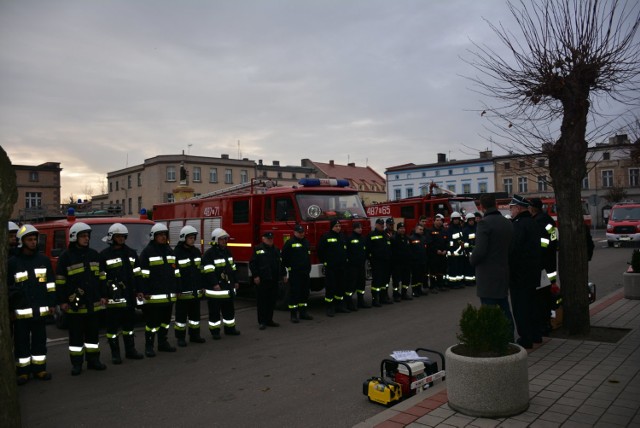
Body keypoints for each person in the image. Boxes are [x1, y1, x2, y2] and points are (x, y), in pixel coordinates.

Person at [56, 222, 108, 375]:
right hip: (75, 306)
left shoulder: (94, 255)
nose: (86, 239)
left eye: (87, 236)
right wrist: (63, 301)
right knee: (76, 339)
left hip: (93, 304)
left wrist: (104, 295)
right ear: (74, 237)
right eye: (83, 236)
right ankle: (77, 364)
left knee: (93, 335)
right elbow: (60, 281)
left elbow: (102, 277)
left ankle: (93, 360)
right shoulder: (66, 257)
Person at [8, 225, 56, 384]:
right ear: (22, 242)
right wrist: (10, 310)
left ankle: (39, 369)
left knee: (39, 342)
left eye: (35, 239)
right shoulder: (13, 263)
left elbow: (50, 284)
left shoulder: (43, 260)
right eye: (30, 239)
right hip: (21, 313)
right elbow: (9, 288)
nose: (34, 242)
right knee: (21, 343)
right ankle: (23, 372)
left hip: (40, 311)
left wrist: (51, 303)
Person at [469, 194, 514, 339]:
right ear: (495, 204)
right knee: (504, 306)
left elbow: (480, 250)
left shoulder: (484, 223)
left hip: (487, 274)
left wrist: (472, 260)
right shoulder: (507, 222)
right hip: (503, 270)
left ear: (481, 207)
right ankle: (509, 338)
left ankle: (491, 340)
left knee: (488, 309)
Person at [99, 223, 144, 364]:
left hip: (129, 297)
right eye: (118, 236)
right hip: (114, 299)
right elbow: (101, 277)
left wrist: (140, 290)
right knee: (112, 329)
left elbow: (138, 273)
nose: (121, 239)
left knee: (129, 327)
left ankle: (130, 351)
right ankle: (115, 354)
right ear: (111, 237)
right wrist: (104, 294)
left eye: (123, 236)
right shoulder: (104, 255)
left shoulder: (131, 253)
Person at [139, 223, 179, 357]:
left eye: (164, 235)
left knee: (165, 322)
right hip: (154, 296)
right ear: (153, 236)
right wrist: (145, 292)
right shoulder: (147, 252)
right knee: (152, 323)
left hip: (169, 295)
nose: (163, 237)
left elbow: (176, 273)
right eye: (160, 235)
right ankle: (149, 346)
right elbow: (143, 275)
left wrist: (177, 288)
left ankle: (163, 343)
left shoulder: (170, 251)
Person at [508, 195, 542, 349]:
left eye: (512, 208)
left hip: (519, 274)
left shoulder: (519, 225)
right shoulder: (533, 222)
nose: (511, 211)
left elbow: (514, 249)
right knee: (533, 305)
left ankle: (525, 338)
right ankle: (536, 335)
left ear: (519, 208)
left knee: (520, 307)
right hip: (532, 272)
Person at [202, 228, 241, 339]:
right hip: (216, 290)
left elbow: (233, 268)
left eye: (225, 239)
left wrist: (236, 281)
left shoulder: (227, 252)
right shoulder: (209, 254)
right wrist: (215, 284)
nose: (224, 241)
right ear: (215, 240)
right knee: (214, 312)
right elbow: (209, 271)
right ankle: (215, 332)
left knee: (229, 310)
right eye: (222, 239)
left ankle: (230, 329)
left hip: (227, 288)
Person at [529, 198, 558, 337]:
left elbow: (543, 243)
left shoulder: (538, 221)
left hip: (542, 266)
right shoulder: (548, 219)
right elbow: (554, 237)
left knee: (540, 298)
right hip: (550, 263)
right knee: (547, 295)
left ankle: (543, 325)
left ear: (533, 208)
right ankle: (547, 322)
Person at [173, 225, 206, 347]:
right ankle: (180, 338)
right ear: (183, 238)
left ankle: (194, 335)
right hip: (183, 291)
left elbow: (201, 270)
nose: (193, 240)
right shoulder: (176, 253)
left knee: (195, 316)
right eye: (190, 238)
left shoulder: (196, 252)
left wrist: (202, 285)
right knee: (181, 316)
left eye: (194, 238)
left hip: (195, 290)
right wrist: (177, 288)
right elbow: (175, 273)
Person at [250, 231, 285, 329]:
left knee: (271, 300)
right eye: (268, 239)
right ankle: (262, 322)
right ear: (263, 239)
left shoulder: (276, 250)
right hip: (263, 279)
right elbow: (253, 264)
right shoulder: (258, 249)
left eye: (271, 239)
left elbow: (280, 263)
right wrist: (255, 276)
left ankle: (269, 320)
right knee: (262, 301)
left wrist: (283, 274)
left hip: (273, 279)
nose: (270, 240)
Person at [281, 224, 313, 322]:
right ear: (294, 233)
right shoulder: (289, 243)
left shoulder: (306, 242)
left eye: (302, 232)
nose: (301, 234)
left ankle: (303, 313)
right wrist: (285, 272)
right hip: (295, 272)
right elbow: (284, 259)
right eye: (299, 232)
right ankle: (293, 315)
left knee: (304, 293)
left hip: (305, 272)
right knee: (295, 293)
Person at [318, 219, 349, 316]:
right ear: (332, 227)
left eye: (339, 226)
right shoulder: (326, 237)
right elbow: (320, 251)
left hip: (341, 266)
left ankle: (339, 306)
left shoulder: (343, 236)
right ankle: (329, 307)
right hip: (331, 267)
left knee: (341, 286)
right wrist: (325, 262)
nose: (338, 228)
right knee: (331, 287)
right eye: (336, 226)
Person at [367, 218, 393, 306]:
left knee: (385, 281)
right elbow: (369, 250)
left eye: (383, 224)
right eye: (380, 224)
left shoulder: (386, 235)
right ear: (376, 225)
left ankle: (383, 297)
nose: (382, 225)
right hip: (377, 263)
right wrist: (372, 260)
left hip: (386, 262)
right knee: (377, 281)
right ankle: (375, 299)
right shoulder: (371, 235)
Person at [346, 222, 370, 309]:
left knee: (361, 285)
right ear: (354, 229)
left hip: (361, 265)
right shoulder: (350, 238)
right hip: (352, 266)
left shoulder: (363, 239)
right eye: (358, 228)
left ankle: (361, 301)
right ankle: (349, 302)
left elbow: (366, 250)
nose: (360, 229)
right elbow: (346, 252)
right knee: (351, 284)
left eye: (361, 227)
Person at [426, 214, 449, 293]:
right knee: (433, 271)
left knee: (441, 270)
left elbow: (447, 242)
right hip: (434, 255)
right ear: (434, 221)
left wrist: (445, 250)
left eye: (440, 220)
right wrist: (436, 250)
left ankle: (440, 285)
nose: (439, 222)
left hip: (443, 254)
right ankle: (433, 286)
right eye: (437, 220)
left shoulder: (444, 231)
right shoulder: (430, 231)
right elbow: (430, 243)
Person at [391, 222, 411, 301]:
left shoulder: (407, 238)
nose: (402, 230)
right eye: (401, 228)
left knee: (406, 279)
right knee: (396, 280)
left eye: (403, 228)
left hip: (406, 263)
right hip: (397, 263)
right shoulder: (394, 238)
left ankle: (404, 293)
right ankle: (396, 295)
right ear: (397, 229)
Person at [446, 212, 465, 289]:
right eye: (455, 219)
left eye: (458, 219)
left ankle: (459, 282)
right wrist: (451, 251)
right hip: (453, 252)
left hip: (459, 251)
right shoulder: (450, 229)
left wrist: (462, 248)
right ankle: (452, 284)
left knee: (459, 268)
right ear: (452, 220)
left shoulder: (460, 227)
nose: (456, 221)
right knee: (453, 269)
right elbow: (450, 241)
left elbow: (461, 239)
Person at [408, 223, 427, 298]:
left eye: (422, 229)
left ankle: (419, 290)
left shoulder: (423, 238)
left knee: (420, 276)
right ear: (416, 229)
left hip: (422, 261)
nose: (421, 231)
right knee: (415, 277)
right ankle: (414, 291)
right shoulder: (411, 238)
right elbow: (410, 251)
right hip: (415, 262)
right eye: (420, 229)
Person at [462, 212, 477, 286]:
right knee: (468, 267)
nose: (471, 221)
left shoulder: (477, 228)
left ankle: (474, 280)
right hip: (468, 251)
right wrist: (466, 251)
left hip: (476, 251)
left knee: (475, 267)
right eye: (470, 220)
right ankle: (468, 281)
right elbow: (464, 242)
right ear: (467, 221)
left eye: (472, 220)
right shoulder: (465, 230)